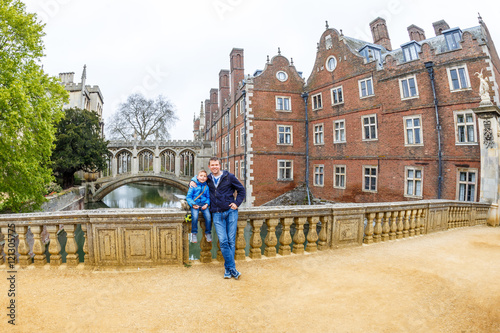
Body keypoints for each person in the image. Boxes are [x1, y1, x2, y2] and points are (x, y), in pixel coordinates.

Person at [190, 157, 246, 280]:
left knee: (231, 241)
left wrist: (236, 203)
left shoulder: (229, 176)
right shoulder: (208, 179)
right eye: (212, 165)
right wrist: (192, 180)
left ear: (220, 165)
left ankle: (228, 269)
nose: (215, 167)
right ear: (209, 167)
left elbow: (241, 190)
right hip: (216, 214)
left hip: (230, 212)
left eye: (216, 164)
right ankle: (233, 269)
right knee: (223, 241)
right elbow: (199, 179)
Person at [186, 169, 212, 243]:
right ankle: (194, 233)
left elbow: (208, 197)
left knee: (208, 217)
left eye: (204, 176)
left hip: (204, 204)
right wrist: (193, 204)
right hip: (195, 204)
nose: (203, 178)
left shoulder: (206, 187)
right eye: (201, 176)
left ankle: (208, 233)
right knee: (194, 216)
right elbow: (189, 197)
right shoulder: (193, 185)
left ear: (206, 178)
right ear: (197, 177)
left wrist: (207, 204)